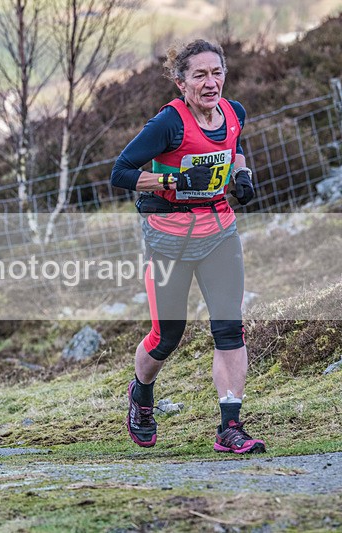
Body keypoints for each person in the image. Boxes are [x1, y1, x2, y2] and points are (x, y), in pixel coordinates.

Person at [110, 40, 264, 454]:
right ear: (181, 82)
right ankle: (141, 395)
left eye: (216, 73)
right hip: (169, 239)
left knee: (230, 329)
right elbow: (120, 172)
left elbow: (233, 149)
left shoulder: (235, 113)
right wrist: (169, 181)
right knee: (167, 336)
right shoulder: (168, 125)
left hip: (220, 233)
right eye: (200, 75)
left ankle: (229, 427)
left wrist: (242, 174)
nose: (210, 82)